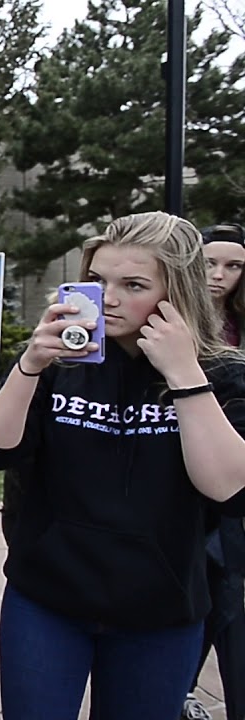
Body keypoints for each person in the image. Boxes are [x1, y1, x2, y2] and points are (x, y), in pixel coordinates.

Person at [0, 211, 245, 719]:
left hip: (161, 610)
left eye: (133, 284)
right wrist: (30, 364)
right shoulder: (61, 362)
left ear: (175, 293)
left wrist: (184, 374)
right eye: (98, 280)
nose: (109, 297)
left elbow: (228, 490)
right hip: (48, 600)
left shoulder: (222, 375)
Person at [182, 222, 245, 720]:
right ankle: (176, 692)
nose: (219, 275)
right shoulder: (173, 325)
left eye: (233, 265)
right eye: (209, 263)